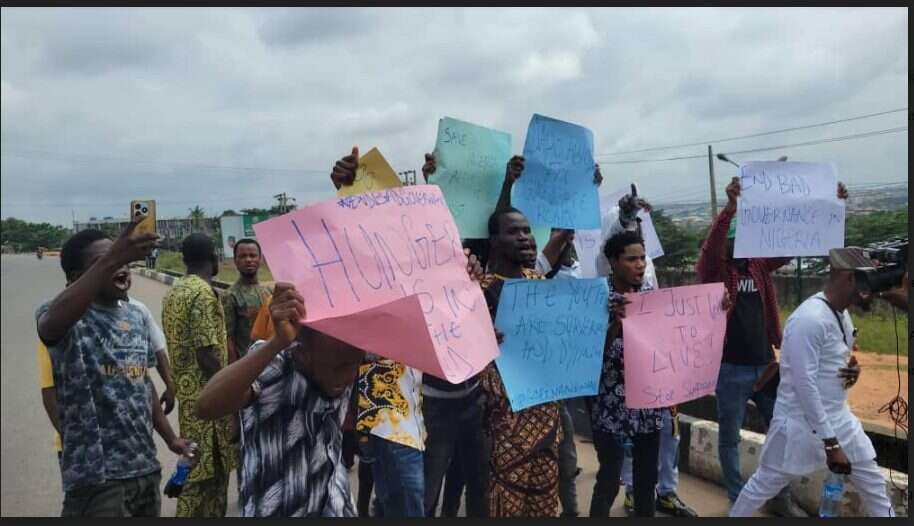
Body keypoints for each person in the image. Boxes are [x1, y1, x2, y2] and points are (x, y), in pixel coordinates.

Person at [696, 176, 848, 516]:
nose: (743, 247)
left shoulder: (758, 266)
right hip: (729, 367)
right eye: (736, 241)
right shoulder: (713, 271)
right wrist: (730, 209)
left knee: (783, 432)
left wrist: (829, 206)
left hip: (765, 365)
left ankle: (779, 498)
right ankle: (739, 497)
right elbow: (711, 247)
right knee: (729, 438)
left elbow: (795, 241)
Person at [35, 225, 193, 517]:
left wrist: (171, 438)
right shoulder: (66, 319)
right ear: (74, 278)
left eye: (122, 260)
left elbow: (141, 383)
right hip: (98, 480)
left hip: (145, 469)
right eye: (104, 261)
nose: (119, 266)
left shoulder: (135, 315)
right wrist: (112, 257)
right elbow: (48, 328)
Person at [730, 247, 896, 517]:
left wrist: (849, 371)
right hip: (800, 424)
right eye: (867, 279)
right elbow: (803, 384)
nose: (871, 289)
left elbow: (836, 362)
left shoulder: (841, 315)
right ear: (848, 277)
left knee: (874, 487)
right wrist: (831, 444)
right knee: (764, 484)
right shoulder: (808, 320)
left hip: (839, 419)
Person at [330, 147, 427, 518]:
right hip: (387, 410)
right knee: (407, 500)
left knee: (404, 499)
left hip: (428, 408)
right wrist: (344, 193)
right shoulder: (360, 274)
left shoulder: (426, 264)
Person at [478, 206, 564, 518]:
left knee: (543, 507)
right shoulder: (479, 292)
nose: (525, 237)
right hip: (505, 427)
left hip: (546, 420)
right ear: (494, 240)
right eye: (514, 231)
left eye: (527, 230)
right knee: (506, 507)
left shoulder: (539, 282)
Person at [589, 229, 663, 517]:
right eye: (631, 259)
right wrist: (614, 325)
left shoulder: (651, 298)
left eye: (643, 258)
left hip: (648, 404)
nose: (640, 265)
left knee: (647, 480)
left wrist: (718, 311)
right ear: (612, 261)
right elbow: (588, 356)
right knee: (609, 478)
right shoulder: (597, 298)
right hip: (610, 405)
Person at [161, 233, 237, 517]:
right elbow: (207, 354)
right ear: (214, 258)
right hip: (210, 399)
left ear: (183, 260)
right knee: (202, 479)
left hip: (189, 398)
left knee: (204, 471)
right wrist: (233, 388)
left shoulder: (175, 291)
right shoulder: (203, 293)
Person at [223, 238, 271, 364]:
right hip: (246, 363)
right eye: (243, 256)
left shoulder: (269, 293)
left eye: (253, 255)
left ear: (260, 259)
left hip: (270, 362)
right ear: (235, 261)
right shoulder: (230, 295)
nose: (248, 260)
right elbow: (228, 338)